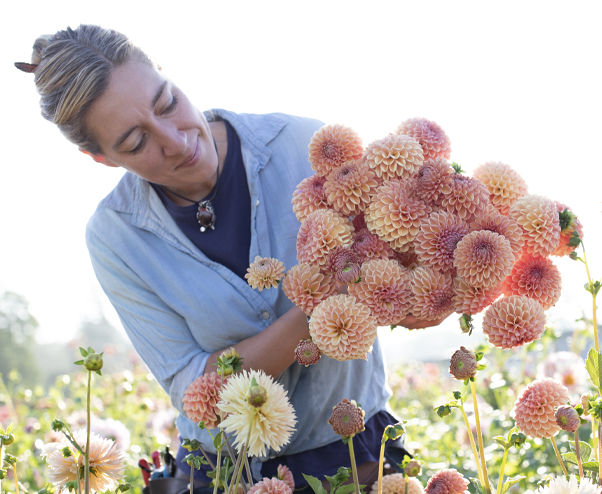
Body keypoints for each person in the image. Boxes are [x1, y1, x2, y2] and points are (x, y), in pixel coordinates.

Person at [18, 25, 446, 489]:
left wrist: (419, 287)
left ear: (168, 75)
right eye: (136, 142)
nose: (177, 142)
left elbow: (399, 263)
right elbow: (199, 389)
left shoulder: (304, 144)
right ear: (100, 158)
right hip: (225, 472)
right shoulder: (115, 237)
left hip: (353, 452)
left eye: (168, 104)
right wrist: (328, 307)